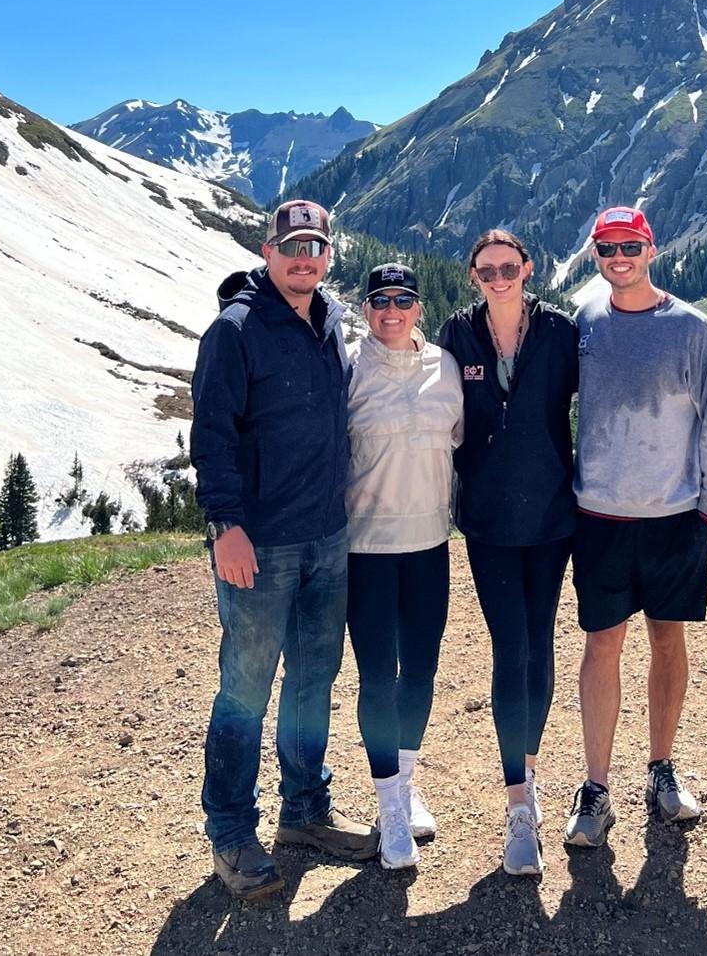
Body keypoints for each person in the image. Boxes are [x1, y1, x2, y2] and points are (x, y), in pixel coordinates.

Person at [190, 198, 377, 901]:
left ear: (327, 254)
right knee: (245, 685)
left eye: (315, 246)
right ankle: (232, 831)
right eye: (291, 245)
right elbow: (211, 433)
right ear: (267, 250)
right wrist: (225, 524)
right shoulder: (234, 330)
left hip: (327, 535)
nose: (304, 257)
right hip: (260, 544)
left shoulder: (328, 320)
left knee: (311, 678)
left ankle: (304, 812)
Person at [562, 205, 707, 852]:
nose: (619, 257)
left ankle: (661, 768)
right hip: (601, 518)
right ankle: (596, 788)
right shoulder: (583, 325)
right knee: (601, 644)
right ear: (595, 255)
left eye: (629, 245)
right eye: (607, 247)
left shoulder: (693, 329)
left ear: (651, 248)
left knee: (668, 640)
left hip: (675, 519)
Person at [438, 228, 579, 879]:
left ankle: (529, 763)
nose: (499, 277)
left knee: (541, 644)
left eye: (508, 266)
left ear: (527, 267)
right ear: (473, 276)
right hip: (489, 520)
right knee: (510, 645)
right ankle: (519, 801)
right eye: (486, 269)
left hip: (552, 515)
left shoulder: (559, 332)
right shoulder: (456, 334)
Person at [344, 262, 464, 870]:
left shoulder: (445, 368)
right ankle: (388, 805)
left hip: (428, 547)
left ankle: (405, 779)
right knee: (375, 677)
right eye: (380, 301)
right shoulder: (348, 369)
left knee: (419, 672)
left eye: (403, 300)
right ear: (366, 308)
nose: (391, 311)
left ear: (419, 306)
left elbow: (467, 441)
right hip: (365, 551)